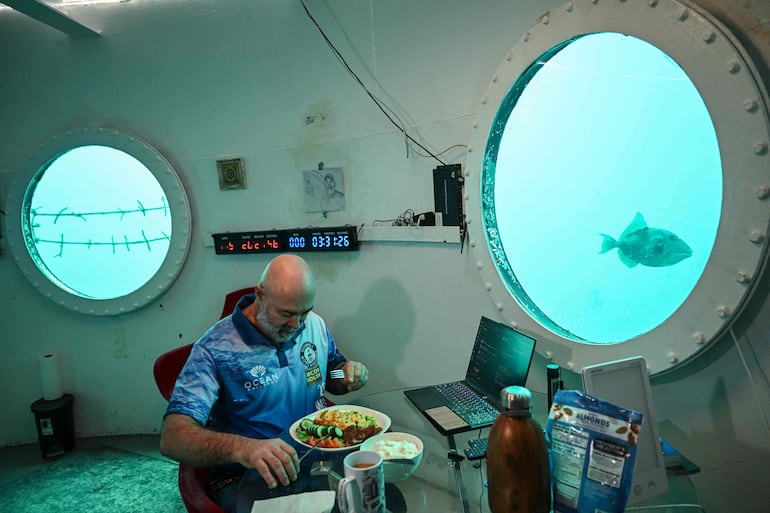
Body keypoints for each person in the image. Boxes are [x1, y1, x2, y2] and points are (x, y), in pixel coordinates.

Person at [160, 254, 369, 511]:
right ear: (260, 295)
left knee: (373, 495)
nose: (297, 325)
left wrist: (347, 373)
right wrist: (243, 448)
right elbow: (173, 437)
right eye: (286, 314)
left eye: (305, 312)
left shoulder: (314, 325)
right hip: (247, 475)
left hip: (318, 459)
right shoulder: (216, 349)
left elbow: (328, 375)